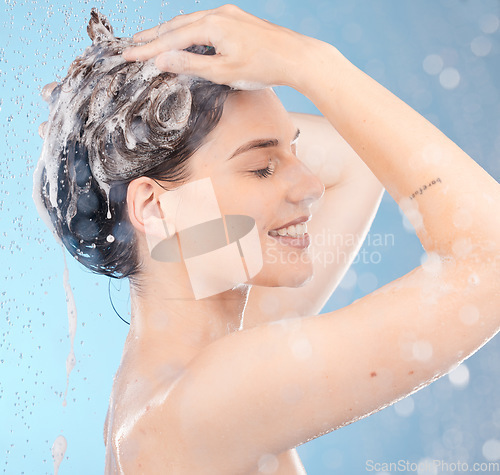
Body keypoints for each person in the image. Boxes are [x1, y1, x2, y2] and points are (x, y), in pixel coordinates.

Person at [34, 5, 499, 474]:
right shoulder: (207, 400)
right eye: (262, 168)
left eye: (295, 151)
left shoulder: (173, 379)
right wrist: (309, 62)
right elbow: (492, 261)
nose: (311, 185)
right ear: (154, 207)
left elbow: (354, 162)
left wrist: (114, 135)